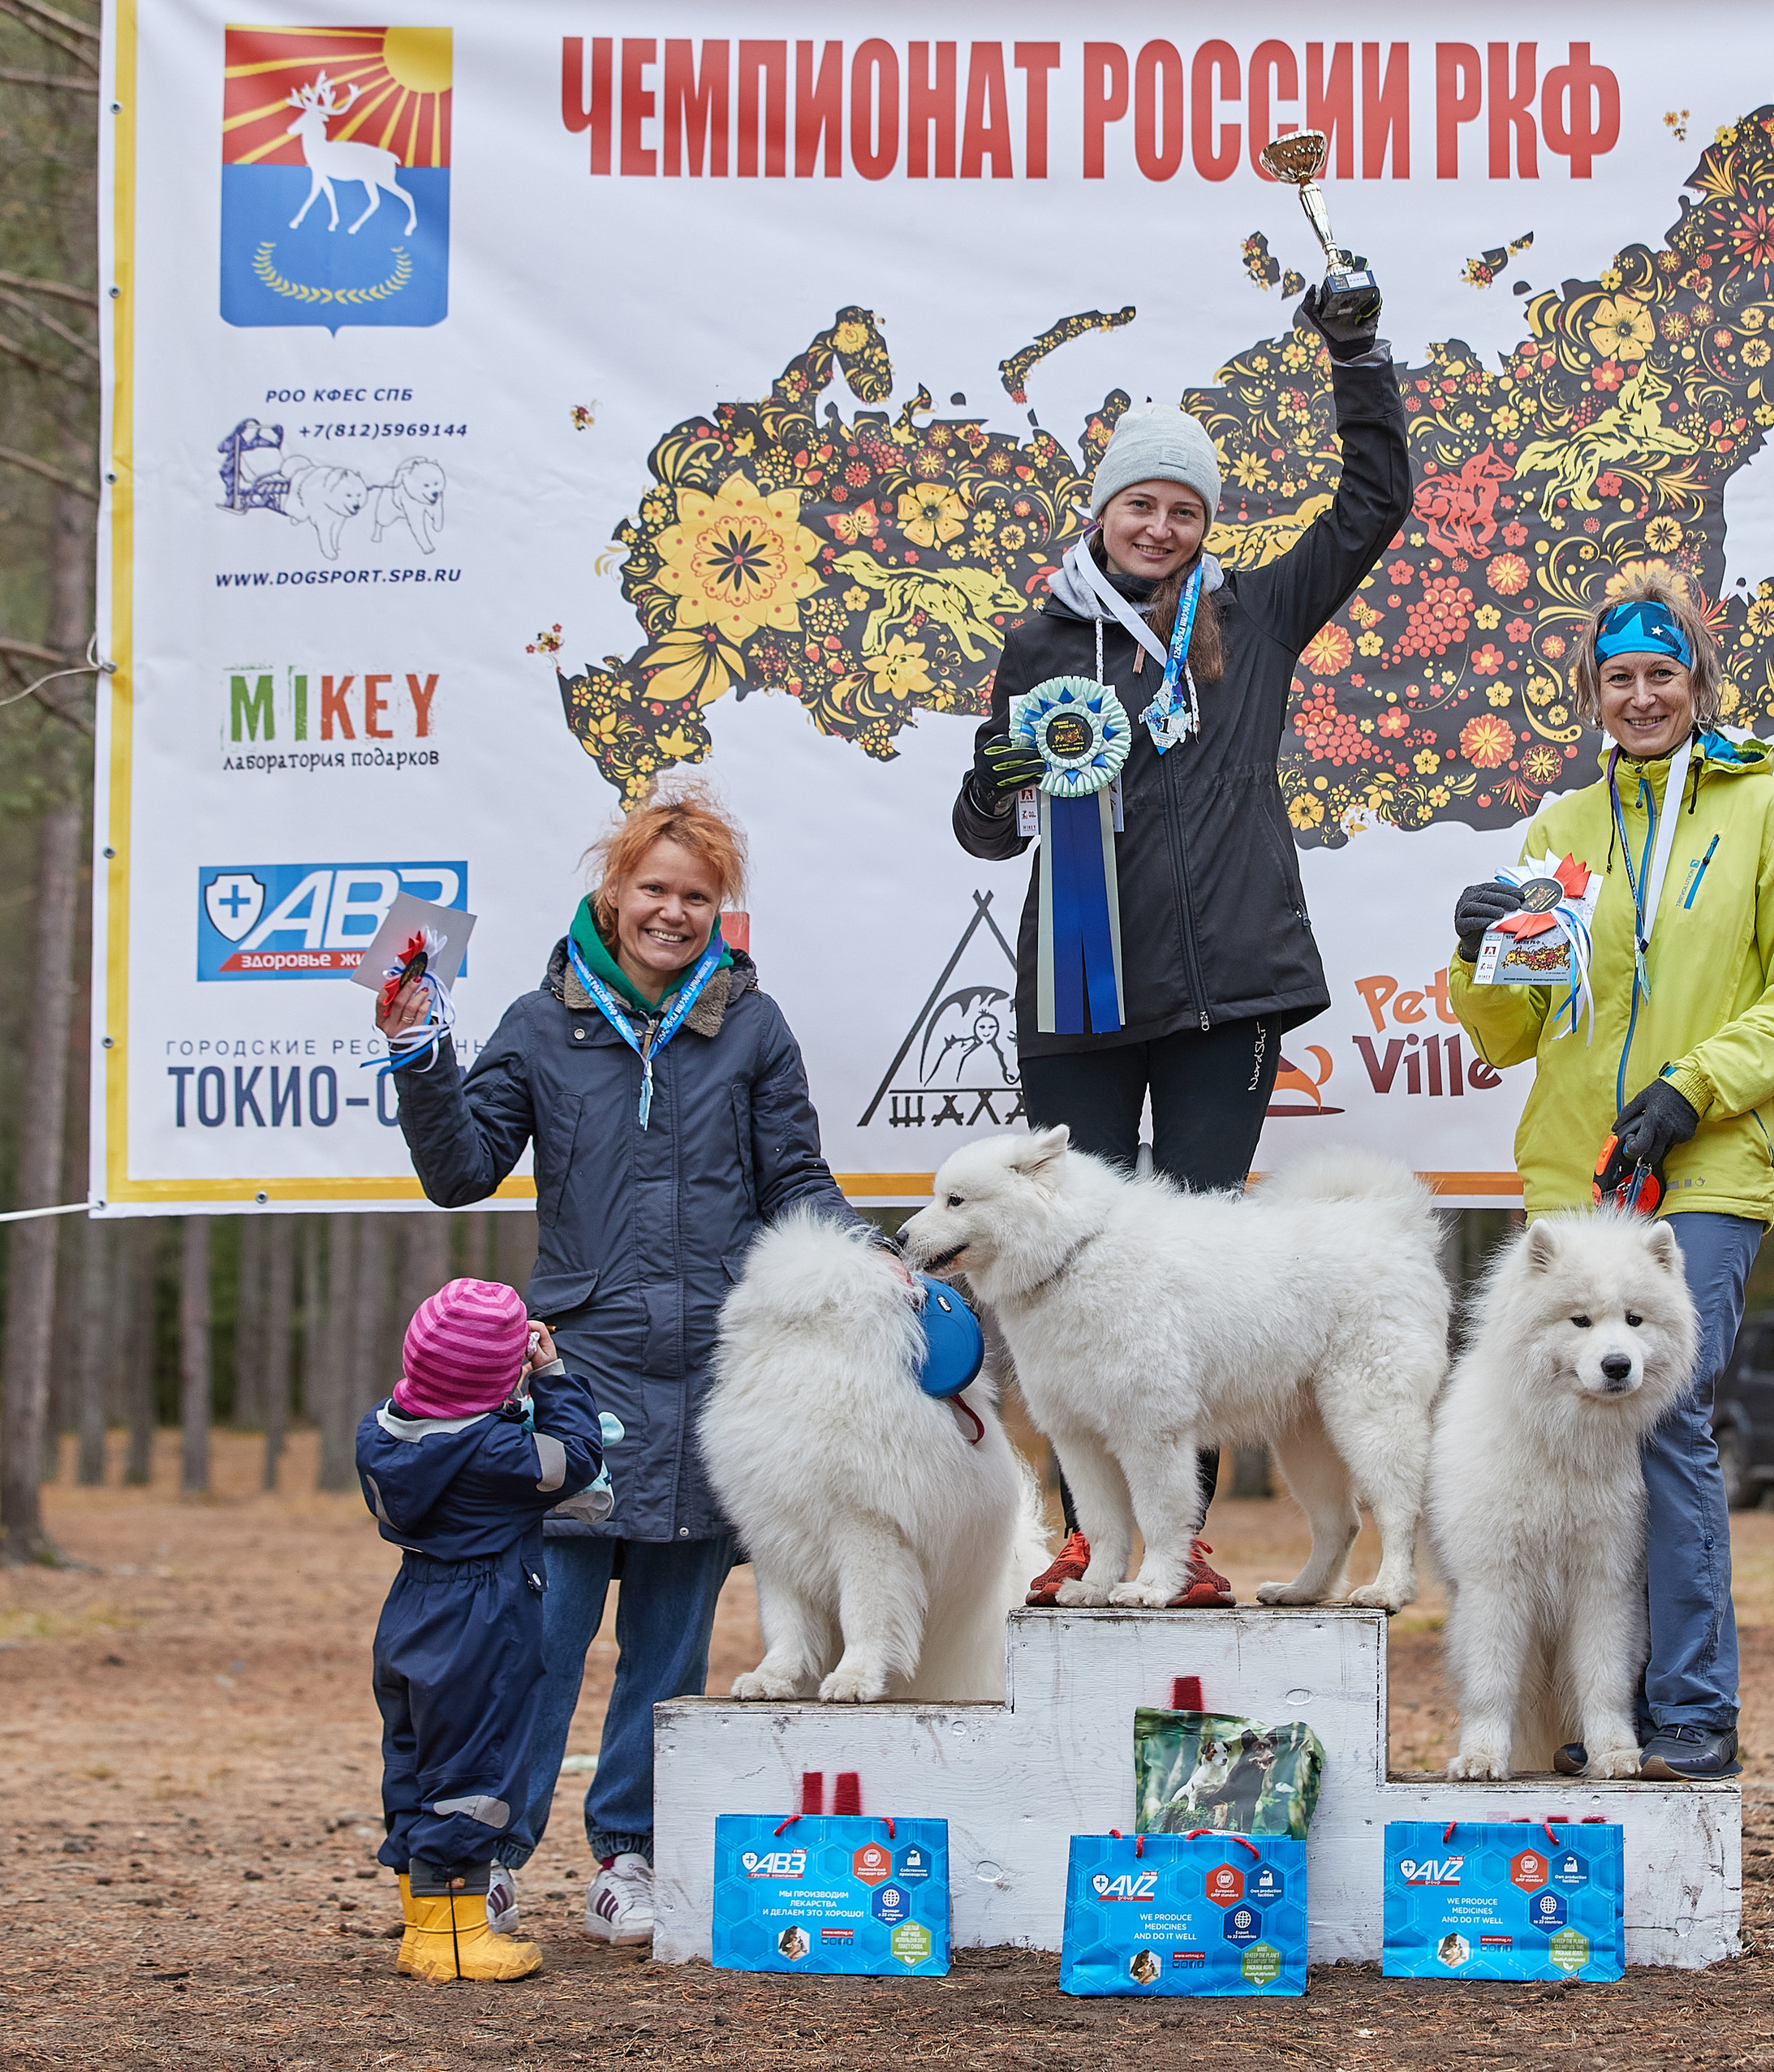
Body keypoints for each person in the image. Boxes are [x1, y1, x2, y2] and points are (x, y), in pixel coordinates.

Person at [953, 279, 1410, 1609]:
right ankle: (1088, 1537)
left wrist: (1357, 357)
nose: (1159, 526)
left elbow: (1374, 504)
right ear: (1100, 510)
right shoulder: (1039, 641)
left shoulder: (1255, 616)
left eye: (1184, 509)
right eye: (1139, 504)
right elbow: (987, 834)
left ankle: (1182, 1546)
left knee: (1194, 1284)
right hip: (1080, 1000)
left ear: (1209, 524)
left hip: (1228, 1000)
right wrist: (991, 781)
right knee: (1067, 1279)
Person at [377, 781, 882, 1946]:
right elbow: (460, 1170)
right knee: (538, 1648)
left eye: (697, 896)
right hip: (580, 1385)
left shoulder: (752, 1025)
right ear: (613, 892)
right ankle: (490, 1857)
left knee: (669, 1651)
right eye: (655, 888)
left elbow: (795, 1180)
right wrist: (417, 1053)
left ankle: (629, 1857)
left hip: (716, 1385)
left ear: (719, 909)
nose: (674, 912)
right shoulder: (537, 1024)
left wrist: (868, 1257)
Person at [1448, 575, 1774, 1781]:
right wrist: (1473, 954)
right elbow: (1509, 1032)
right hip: (1579, 1173)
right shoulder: (1561, 830)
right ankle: (1586, 1713)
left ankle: (1691, 1710)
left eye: (1662, 673)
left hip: (1704, 1163)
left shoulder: (1769, 812)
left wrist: (1690, 1088)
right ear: (1592, 696)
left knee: (1665, 1420)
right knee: (1559, 1445)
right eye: (1618, 678)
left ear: (1698, 682)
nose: (1642, 695)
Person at [357, 1277, 604, 1981]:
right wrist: (551, 1378)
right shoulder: (496, 1455)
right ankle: (458, 1942)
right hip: (481, 1616)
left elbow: (447, 1413)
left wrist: (497, 1392)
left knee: (414, 1766)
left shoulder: (379, 1431)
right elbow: (577, 1458)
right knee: (475, 1769)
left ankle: (422, 1928)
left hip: (412, 1606)